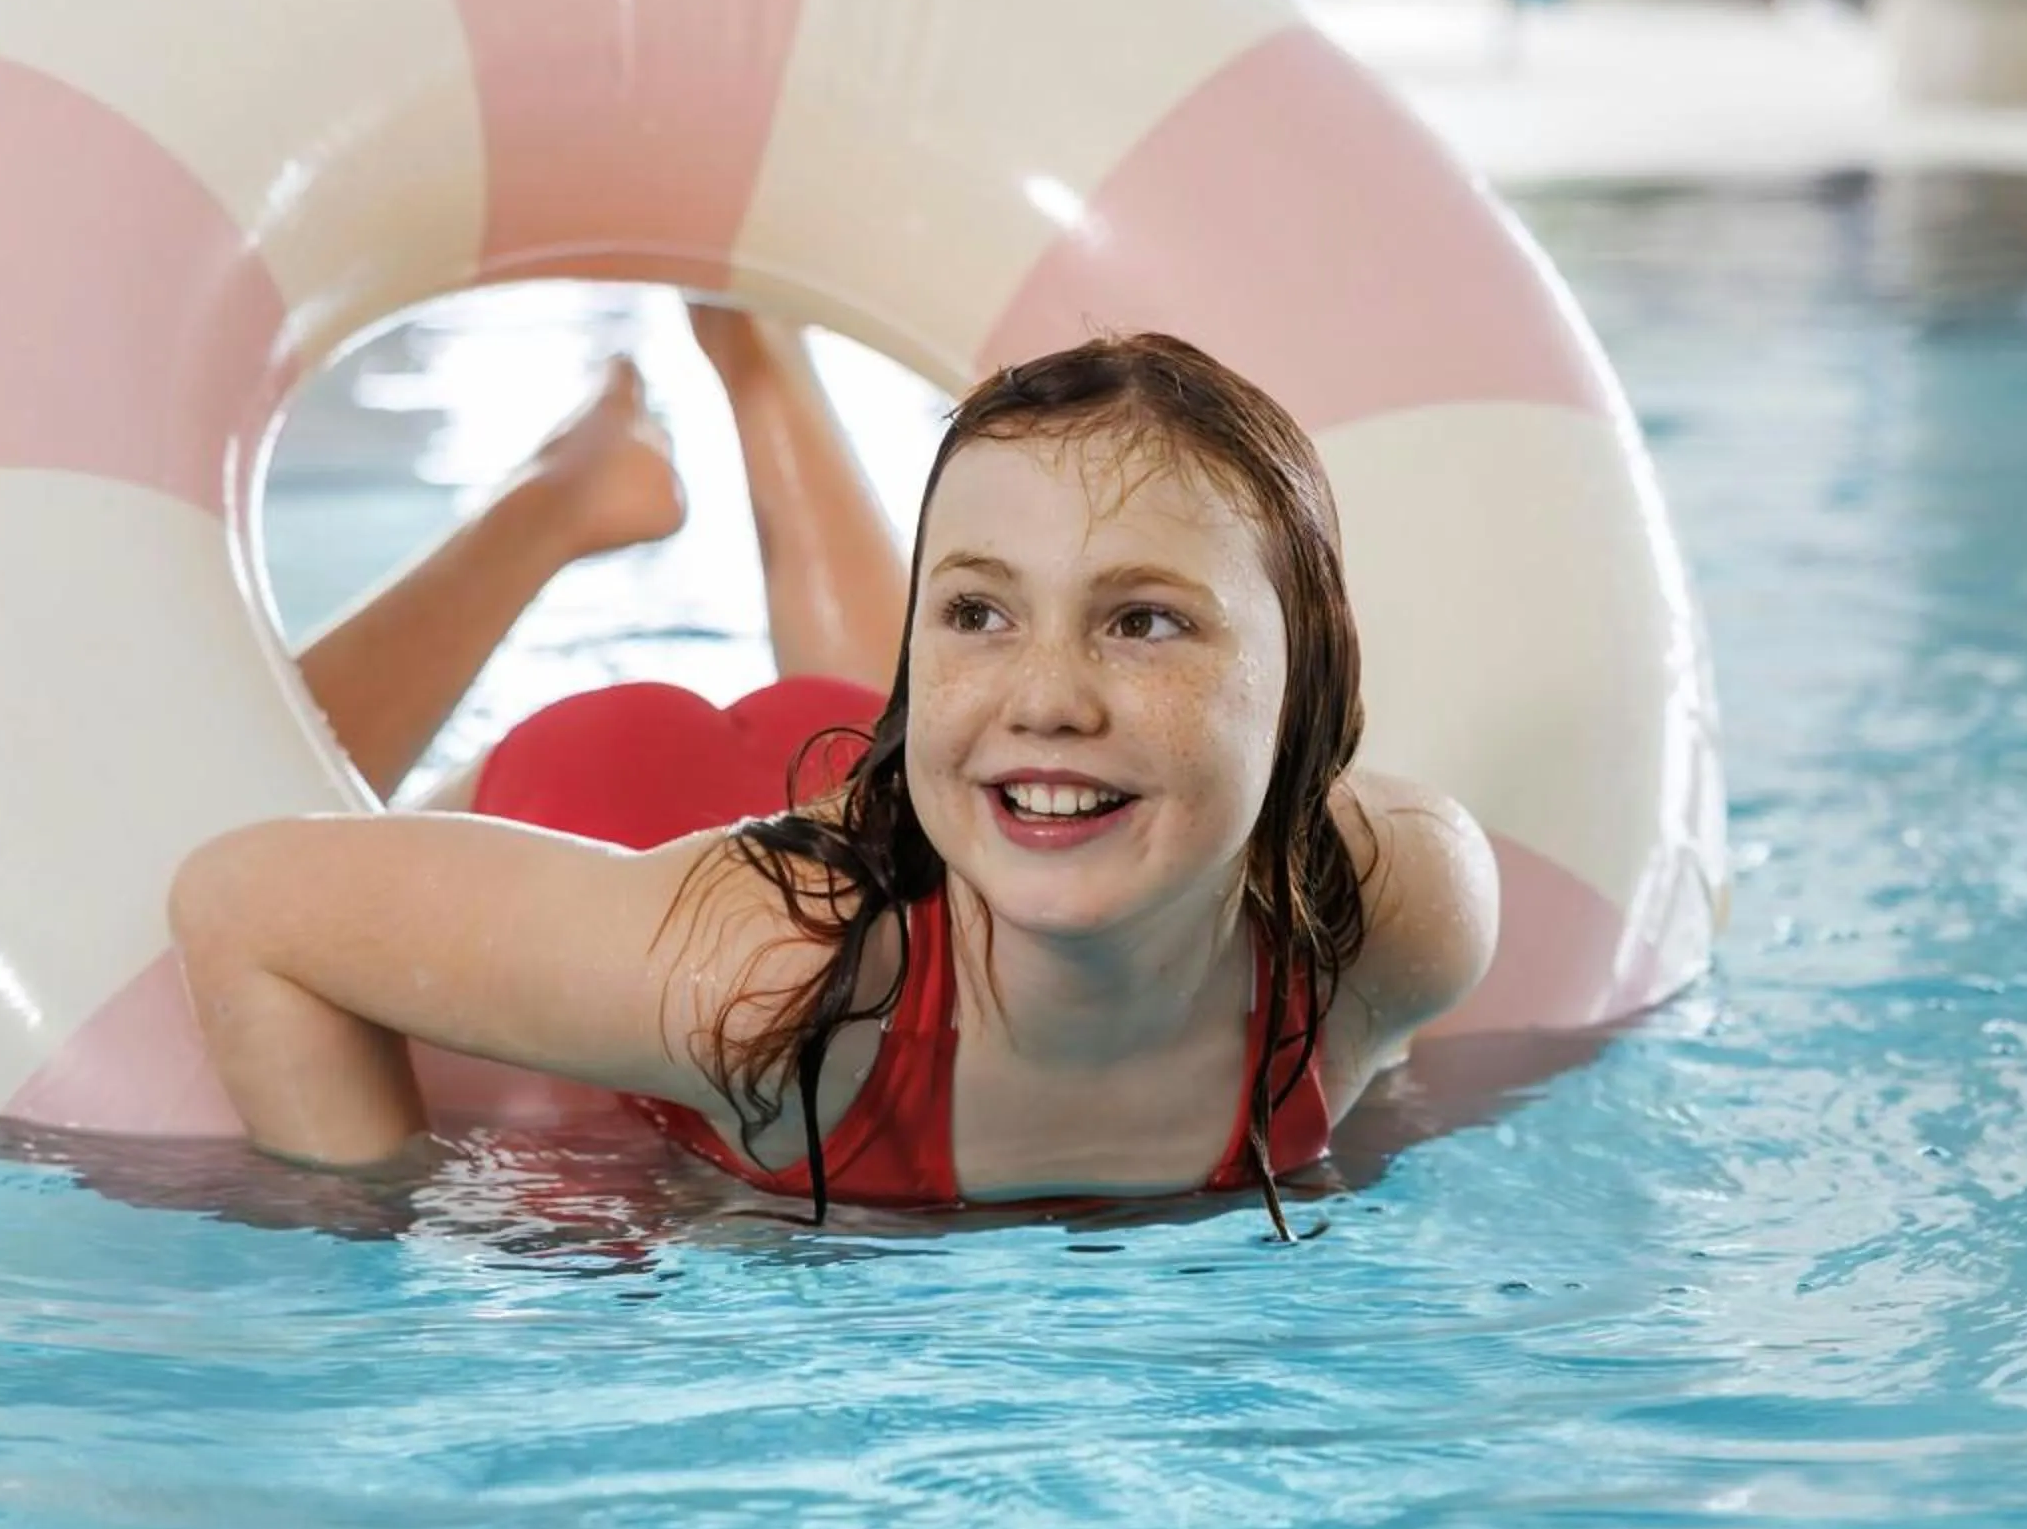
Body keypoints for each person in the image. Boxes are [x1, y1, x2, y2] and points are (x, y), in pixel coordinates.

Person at [172, 306, 1498, 1235]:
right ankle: (564, 492)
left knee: (1010, 745)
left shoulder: (1395, 911)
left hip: (891, 778)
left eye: (1146, 619)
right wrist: (377, 1237)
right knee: (1015, 746)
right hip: (621, 808)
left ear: (1308, 685)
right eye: (975, 613)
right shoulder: (746, 975)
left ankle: (757, 361)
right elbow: (245, 900)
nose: (1050, 693)